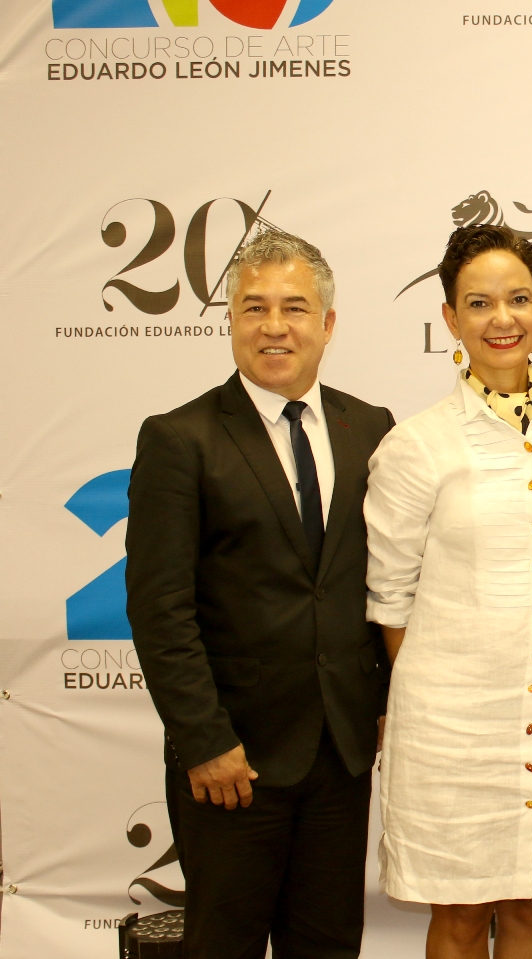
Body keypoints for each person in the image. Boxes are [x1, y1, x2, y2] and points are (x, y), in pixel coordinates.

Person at [126, 230, 394, 958]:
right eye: (254, 308)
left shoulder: (370, 428)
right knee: (225, 944)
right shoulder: (180, 439)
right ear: (231, 321)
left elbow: (385, 583)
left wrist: (380, 704)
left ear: (328, 324)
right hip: (232, 763)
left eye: (295, 308)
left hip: (340, 755)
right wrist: (205, 741)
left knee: (329, 943)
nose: (275, 326)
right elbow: (159, 607)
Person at [364, 225, 532, 959]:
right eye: (478, 302)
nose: (501, 318)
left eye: (517, 299)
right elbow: (390, 598)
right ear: (449, 319)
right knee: (463, 916)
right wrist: (443, 694)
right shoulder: (416, 445)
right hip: (453, 731)